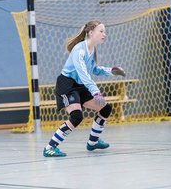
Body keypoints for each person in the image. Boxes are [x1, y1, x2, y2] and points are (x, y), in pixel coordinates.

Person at [43, 20, 126, 157]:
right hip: (67, 85)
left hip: (80, 85)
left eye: (104, 31)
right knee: (76, 116)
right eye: (101, 31)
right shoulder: (79, 50)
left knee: (105, 108)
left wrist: (112, 70)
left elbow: (94, 69)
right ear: (91, 33)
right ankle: (50, 147)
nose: (104, 34)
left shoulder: (91, 49)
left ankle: (93, 142)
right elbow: (84, 74)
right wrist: (96, 92)